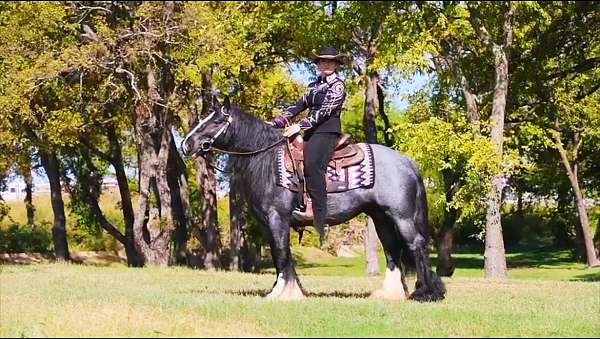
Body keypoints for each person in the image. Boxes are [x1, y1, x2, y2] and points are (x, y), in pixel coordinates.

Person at [269, 46, 347, 241]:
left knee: (312, 163)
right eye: (322, 61)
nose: (326, 64)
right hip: (312, 131)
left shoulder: (338, 85)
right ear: (318, 64)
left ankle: (319, 212)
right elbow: (297, 106)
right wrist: (275, 122)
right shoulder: (312, 85)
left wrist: (299, 126)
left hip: (328, 131)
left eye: (330, 61)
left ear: (336, 64)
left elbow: (326, 110)